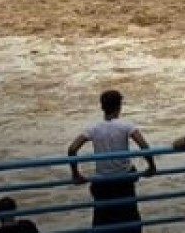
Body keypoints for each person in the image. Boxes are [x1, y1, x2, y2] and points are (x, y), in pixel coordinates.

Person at [67, 89, 157, 233]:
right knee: (130, 220)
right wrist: (151, 167)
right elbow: (144, 147)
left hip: (102, 183)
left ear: (102, 107)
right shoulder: (126, 125)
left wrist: (75, 174)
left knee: (103, 222)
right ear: (119, 106)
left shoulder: (93, 128)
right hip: (124, 181)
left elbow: (72, 149)